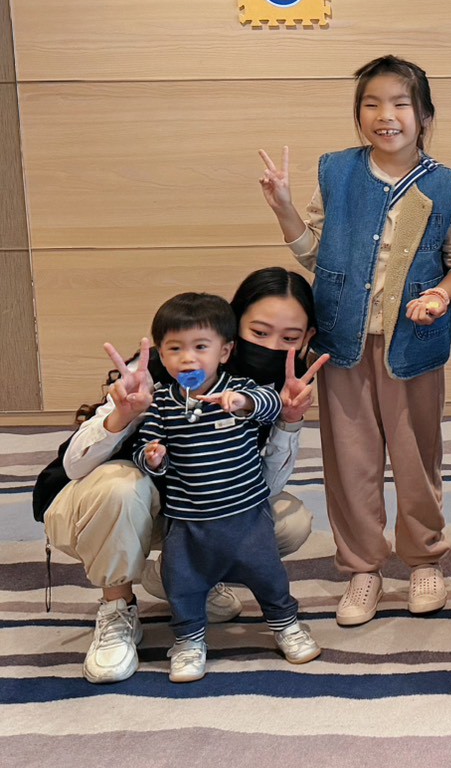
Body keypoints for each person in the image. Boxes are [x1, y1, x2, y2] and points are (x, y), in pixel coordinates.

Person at [259, 54, 451, 625]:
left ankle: (424, 559)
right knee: (350, 461)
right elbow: (315, 254)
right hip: (342, 341)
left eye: (400, 104)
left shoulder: (448, 184)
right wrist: (284, 208)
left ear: (424, 115)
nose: (386, 116)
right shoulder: (337, 172)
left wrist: (442, 294)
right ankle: (362, 569)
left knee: (417, 458)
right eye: (372, 104)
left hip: (415, 344)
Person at [38, 267, 326, 684]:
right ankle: (118, 607)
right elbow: (75, 466)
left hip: (194, 510)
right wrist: (127, 416)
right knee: (123, 486)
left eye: (289, 338)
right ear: (235, 325)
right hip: (100, 505)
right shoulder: (158, 371)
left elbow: (267, 486)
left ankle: (185, 576)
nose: (271, 346)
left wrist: (288, 418)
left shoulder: (257, 388)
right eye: (259, 332)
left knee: (287, 520)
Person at [121, 293, 320, 682]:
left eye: (201, 347)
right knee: (183, 584)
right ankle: (189, 641)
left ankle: (286, 625)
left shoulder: (241, 388)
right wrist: (153, 456)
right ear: (161, 355)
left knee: (269, 576)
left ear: (224, 352)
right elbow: (144, 447)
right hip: (189, 522)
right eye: (175, 349)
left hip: (248, 516)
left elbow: (270, 404)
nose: (188, 359)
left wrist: (242, 401)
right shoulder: (161, 402)